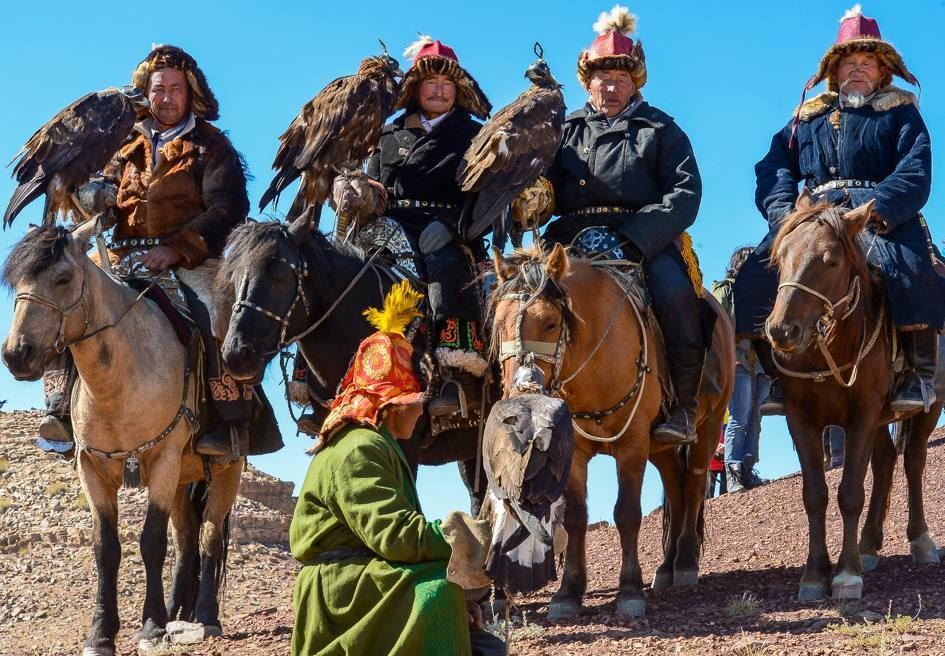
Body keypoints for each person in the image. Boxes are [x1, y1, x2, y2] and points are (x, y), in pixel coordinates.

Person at [37, 45, 280, 460]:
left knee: (212, 313)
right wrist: (97, 196)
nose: (166, 98)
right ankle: (61, 412)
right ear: (145, 93)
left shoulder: (211, 145)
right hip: (119, 255)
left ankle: (229, 422)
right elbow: (107, 196)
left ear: (191, 93)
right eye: (157, 89)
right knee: (62, 293)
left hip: (193, 259)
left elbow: (229, 208)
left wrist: (176, 249)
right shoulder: (124, 143)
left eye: (175, 89)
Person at [735, 5, 945, 416]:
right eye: (849, 62)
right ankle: (779, 377)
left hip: (875, 216)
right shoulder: (805, 119)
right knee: (754, 276)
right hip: (811, 219)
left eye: (868, 62)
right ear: (835, 70)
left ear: (883, 73)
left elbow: (915, 168)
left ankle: (916, 377)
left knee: (911, 270)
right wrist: (783, 215)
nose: (858, 69)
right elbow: (774, 166)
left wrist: (879, 209)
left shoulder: (901, 113)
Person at [290, 281, 505, 656]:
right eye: (413, 401)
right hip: (342, 593)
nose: (421, 410)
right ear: (390, 406)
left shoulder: (376, 444)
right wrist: (470, 537)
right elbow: (396, 537)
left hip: (362, 578)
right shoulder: (360, 447)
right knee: (439, 594)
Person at [535, 5, 705, 444]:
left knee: (676, 296)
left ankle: (683, 407)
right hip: (568, 238)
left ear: (636, 83)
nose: (611, 87)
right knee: (518, 295)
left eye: (621, 80)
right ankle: (517, 395)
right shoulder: (563, 131)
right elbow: (546, 188)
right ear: (586, 81)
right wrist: (530, 198)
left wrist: (637, 241)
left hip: (641, 237)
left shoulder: (662, 129)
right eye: (602, 78)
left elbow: (684, 195)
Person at [360, 36, 492, 418]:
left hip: (449, 229)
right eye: (430, 82)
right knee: (348, 275)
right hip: (389, 229)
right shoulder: (386, 133)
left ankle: (456, 375)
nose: (438, 90)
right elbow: (373, 185)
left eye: (446, 84)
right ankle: (345, 376)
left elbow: (485, 195)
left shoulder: (477, 135)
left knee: (445, 269)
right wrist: (355, 193)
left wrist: (454, 225)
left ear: (458, 90)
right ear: (415, 88)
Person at [713, 247, 770, 492]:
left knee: (756, 417)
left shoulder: (767, 291)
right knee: (740, 415)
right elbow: (715, 325)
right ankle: (734, 470)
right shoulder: (726, 290)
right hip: (736, 359)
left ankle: (747, 467)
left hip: (761, 361)